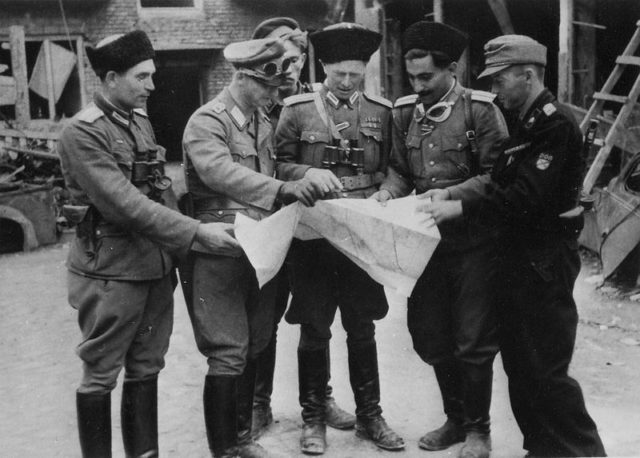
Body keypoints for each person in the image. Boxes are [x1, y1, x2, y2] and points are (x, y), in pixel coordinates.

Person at [418, 35, 607, 457]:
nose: (495, 88)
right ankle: (541, 449)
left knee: (546, 369)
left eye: (501, 79)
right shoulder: (525, 121)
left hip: (544, 261)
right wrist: (455, 194)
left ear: (527, 74)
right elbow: (499, 179)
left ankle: (583, 452)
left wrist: (461, 211)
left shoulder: (555, 125)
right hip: (521, 261)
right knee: (522, 367)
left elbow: (525, 197)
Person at [57, 30, 241, 458]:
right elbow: (126, 205)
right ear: (109, 78)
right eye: (141, 77)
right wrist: (196, 233)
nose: (151, 86)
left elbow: (159, 190)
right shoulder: (81, 133)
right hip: (111, 270)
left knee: (146, 368)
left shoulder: (137, 119)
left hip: (155, 265)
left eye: (151, 75)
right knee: (101, 374)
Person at [371, 21, 508, 458]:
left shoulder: (480, 111)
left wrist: (453, 195)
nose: (418, 86)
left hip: (473, 244)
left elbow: (499, 177)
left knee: (472, 339)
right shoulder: (404, 112)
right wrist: (387, 192)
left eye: (426, 77)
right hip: (424, 243)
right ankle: (454, 418)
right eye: (412, 78)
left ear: (452, 69)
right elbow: (398, 169)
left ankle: (478, 430)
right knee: (429, 334)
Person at [182, 37, 318, 458]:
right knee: (226, 352)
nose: (273, 96)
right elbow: (220, 173)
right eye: (266, 87)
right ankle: (226, 449)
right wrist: (283, 188)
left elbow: (274, 164)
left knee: (256, 342)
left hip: (260, 248)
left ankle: (241, 438)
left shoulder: (258, 120)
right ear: (241, 77)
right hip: (219, 250)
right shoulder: (208, 121)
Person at [276, 22, 405, 455]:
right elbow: (278, 165)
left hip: (361, 231)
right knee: (314, 327)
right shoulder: (297, 110)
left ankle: (370, 415)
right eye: (339, 75)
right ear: (324, 67)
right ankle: (313, 418)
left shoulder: (381, 112)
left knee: (361, 325)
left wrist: (388, 190)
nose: (347, 83)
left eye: (355, 75)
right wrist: (307, 173)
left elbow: (396, 166)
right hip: (313, 232)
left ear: (364, 71)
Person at [249, 16, 355, 439]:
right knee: (265, 317)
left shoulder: (318, 103)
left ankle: (320, 397)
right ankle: (259, 403)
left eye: (295, 58)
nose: (288, 66)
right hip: (269, 223)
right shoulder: (253, 104)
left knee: (317, 316)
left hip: (311, 226)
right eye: (278, 56)